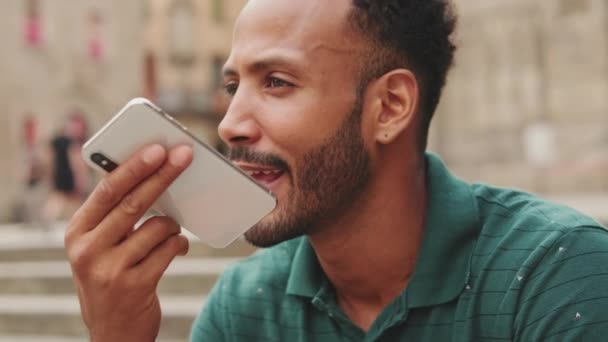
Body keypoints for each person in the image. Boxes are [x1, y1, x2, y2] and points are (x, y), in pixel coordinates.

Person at [64, 0, 608, 341]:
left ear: (390, 107)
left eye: (276, 82)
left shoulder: (557, 278)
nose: (230, 124)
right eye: (234, 87)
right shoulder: (245, 306)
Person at [42, 111, 90, 228]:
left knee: (63, 204)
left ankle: (47, 223)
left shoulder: (61, 142)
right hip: (65, 178)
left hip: (63, 178)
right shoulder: (68, 143)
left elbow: (50, 162)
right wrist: (81, 180)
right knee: (62, 203)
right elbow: (77, 166)